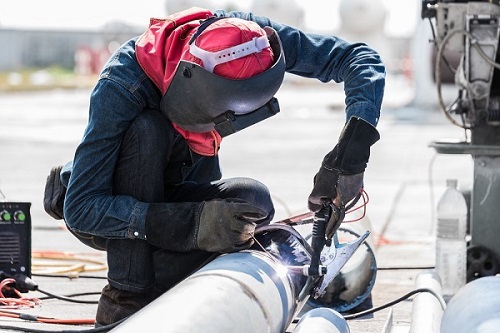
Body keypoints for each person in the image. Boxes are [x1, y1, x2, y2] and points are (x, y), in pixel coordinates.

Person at [48, 6, 385, 327]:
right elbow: (81, 209)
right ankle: (126, 297)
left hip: (173, 189)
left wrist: (350, 154)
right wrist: (193, 223)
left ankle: (165, 272)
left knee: (253, 203)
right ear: (191, 77)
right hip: (110, 208)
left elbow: (360, 59)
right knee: (146, 132)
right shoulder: (121, 84)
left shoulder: (250, 41)